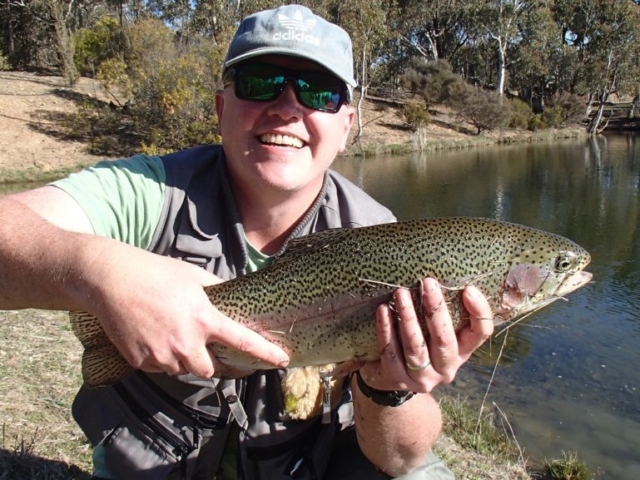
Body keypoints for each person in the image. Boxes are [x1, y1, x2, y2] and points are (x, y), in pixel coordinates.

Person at [0, 5, 493, 480]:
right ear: (221, 108)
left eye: (319, 92)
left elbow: (401, 458)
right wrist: (98, 273)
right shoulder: (149, 192)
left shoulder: (379, 236)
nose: (286, 108)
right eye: (261, 83)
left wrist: (390, 389)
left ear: (346, 126)